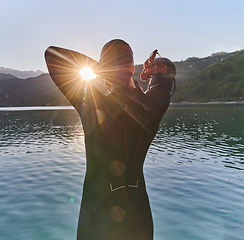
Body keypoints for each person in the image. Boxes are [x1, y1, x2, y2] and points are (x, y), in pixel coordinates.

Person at [45, 39, 176, 240]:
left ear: (106, 69)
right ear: (132, 68)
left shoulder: (96, 103)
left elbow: (53, 56)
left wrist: (104, 69)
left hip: (99, 213)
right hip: (138, 211)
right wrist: (150, 70)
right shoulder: (150, 108)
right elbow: (167, 71)